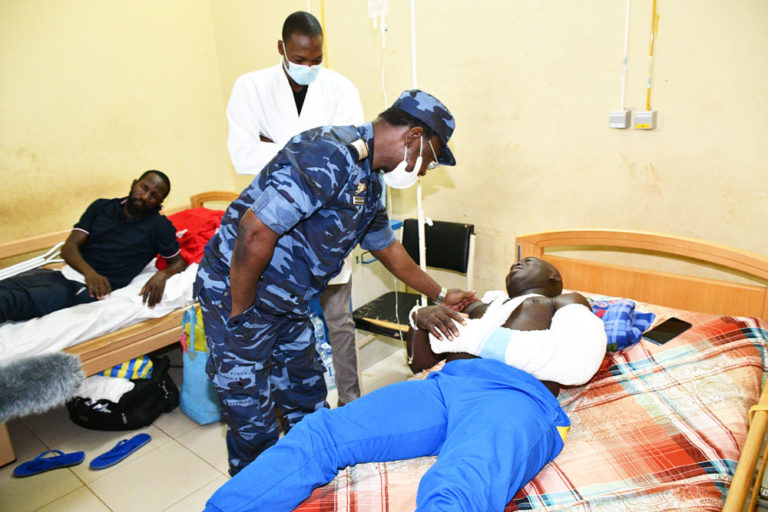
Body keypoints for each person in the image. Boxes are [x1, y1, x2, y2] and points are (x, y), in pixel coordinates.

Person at [194, 88, 474, 476]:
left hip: (286, 303)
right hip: (239, 291)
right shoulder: (327, 153)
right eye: (430, 158)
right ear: (412, 138)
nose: (425, 170)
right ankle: (255, 493)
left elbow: (387, 248)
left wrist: (441, 293)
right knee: (252, 419)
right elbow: (255, 232)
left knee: (308, 402)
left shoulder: (369, 181)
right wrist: (239, 313)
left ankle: (309, 486)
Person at [202, 257, 607, 512]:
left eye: (530, 261)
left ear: (553, 276)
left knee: (458, 485)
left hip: (515, 398)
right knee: (322, 430)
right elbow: (423, 361)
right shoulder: (483, 304)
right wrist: (422, 321)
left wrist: (468, 337)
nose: (516, 264)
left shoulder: (565, 302)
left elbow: (577, 364)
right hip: (444, 386)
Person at [226, 11, 365, 406]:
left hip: (327, 223)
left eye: (315, 60)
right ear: (281, 48)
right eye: (300, 59)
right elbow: (242, 155)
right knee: (279, 319)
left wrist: (277, 145)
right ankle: (289, 408)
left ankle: (350, 401)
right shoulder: (250, 87)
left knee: (338, 320)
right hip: (274, 225)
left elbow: (349, 155)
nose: (308, 67)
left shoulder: (340, 88)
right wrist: (314, 149)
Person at [0, 170, 187, 323]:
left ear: (160, 202)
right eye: (144, 187)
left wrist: (161, 275)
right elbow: (69, 247)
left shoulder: (160, 227)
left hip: (86, 291)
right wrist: (90, 273)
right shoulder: (102, 207)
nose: (145, 196)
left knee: (9, 301)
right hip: (67, 273)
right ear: (134, 183)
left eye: (154, 196)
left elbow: (178, 263)